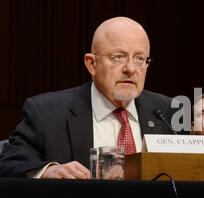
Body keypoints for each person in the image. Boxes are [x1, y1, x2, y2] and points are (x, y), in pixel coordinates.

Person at [0, 17, 180, 179]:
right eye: (119, 57)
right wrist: (48, 171)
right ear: (92, 64)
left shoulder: (167, 112)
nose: (131, 69)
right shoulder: (47, 112)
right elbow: (9, 162)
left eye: (140, 59)